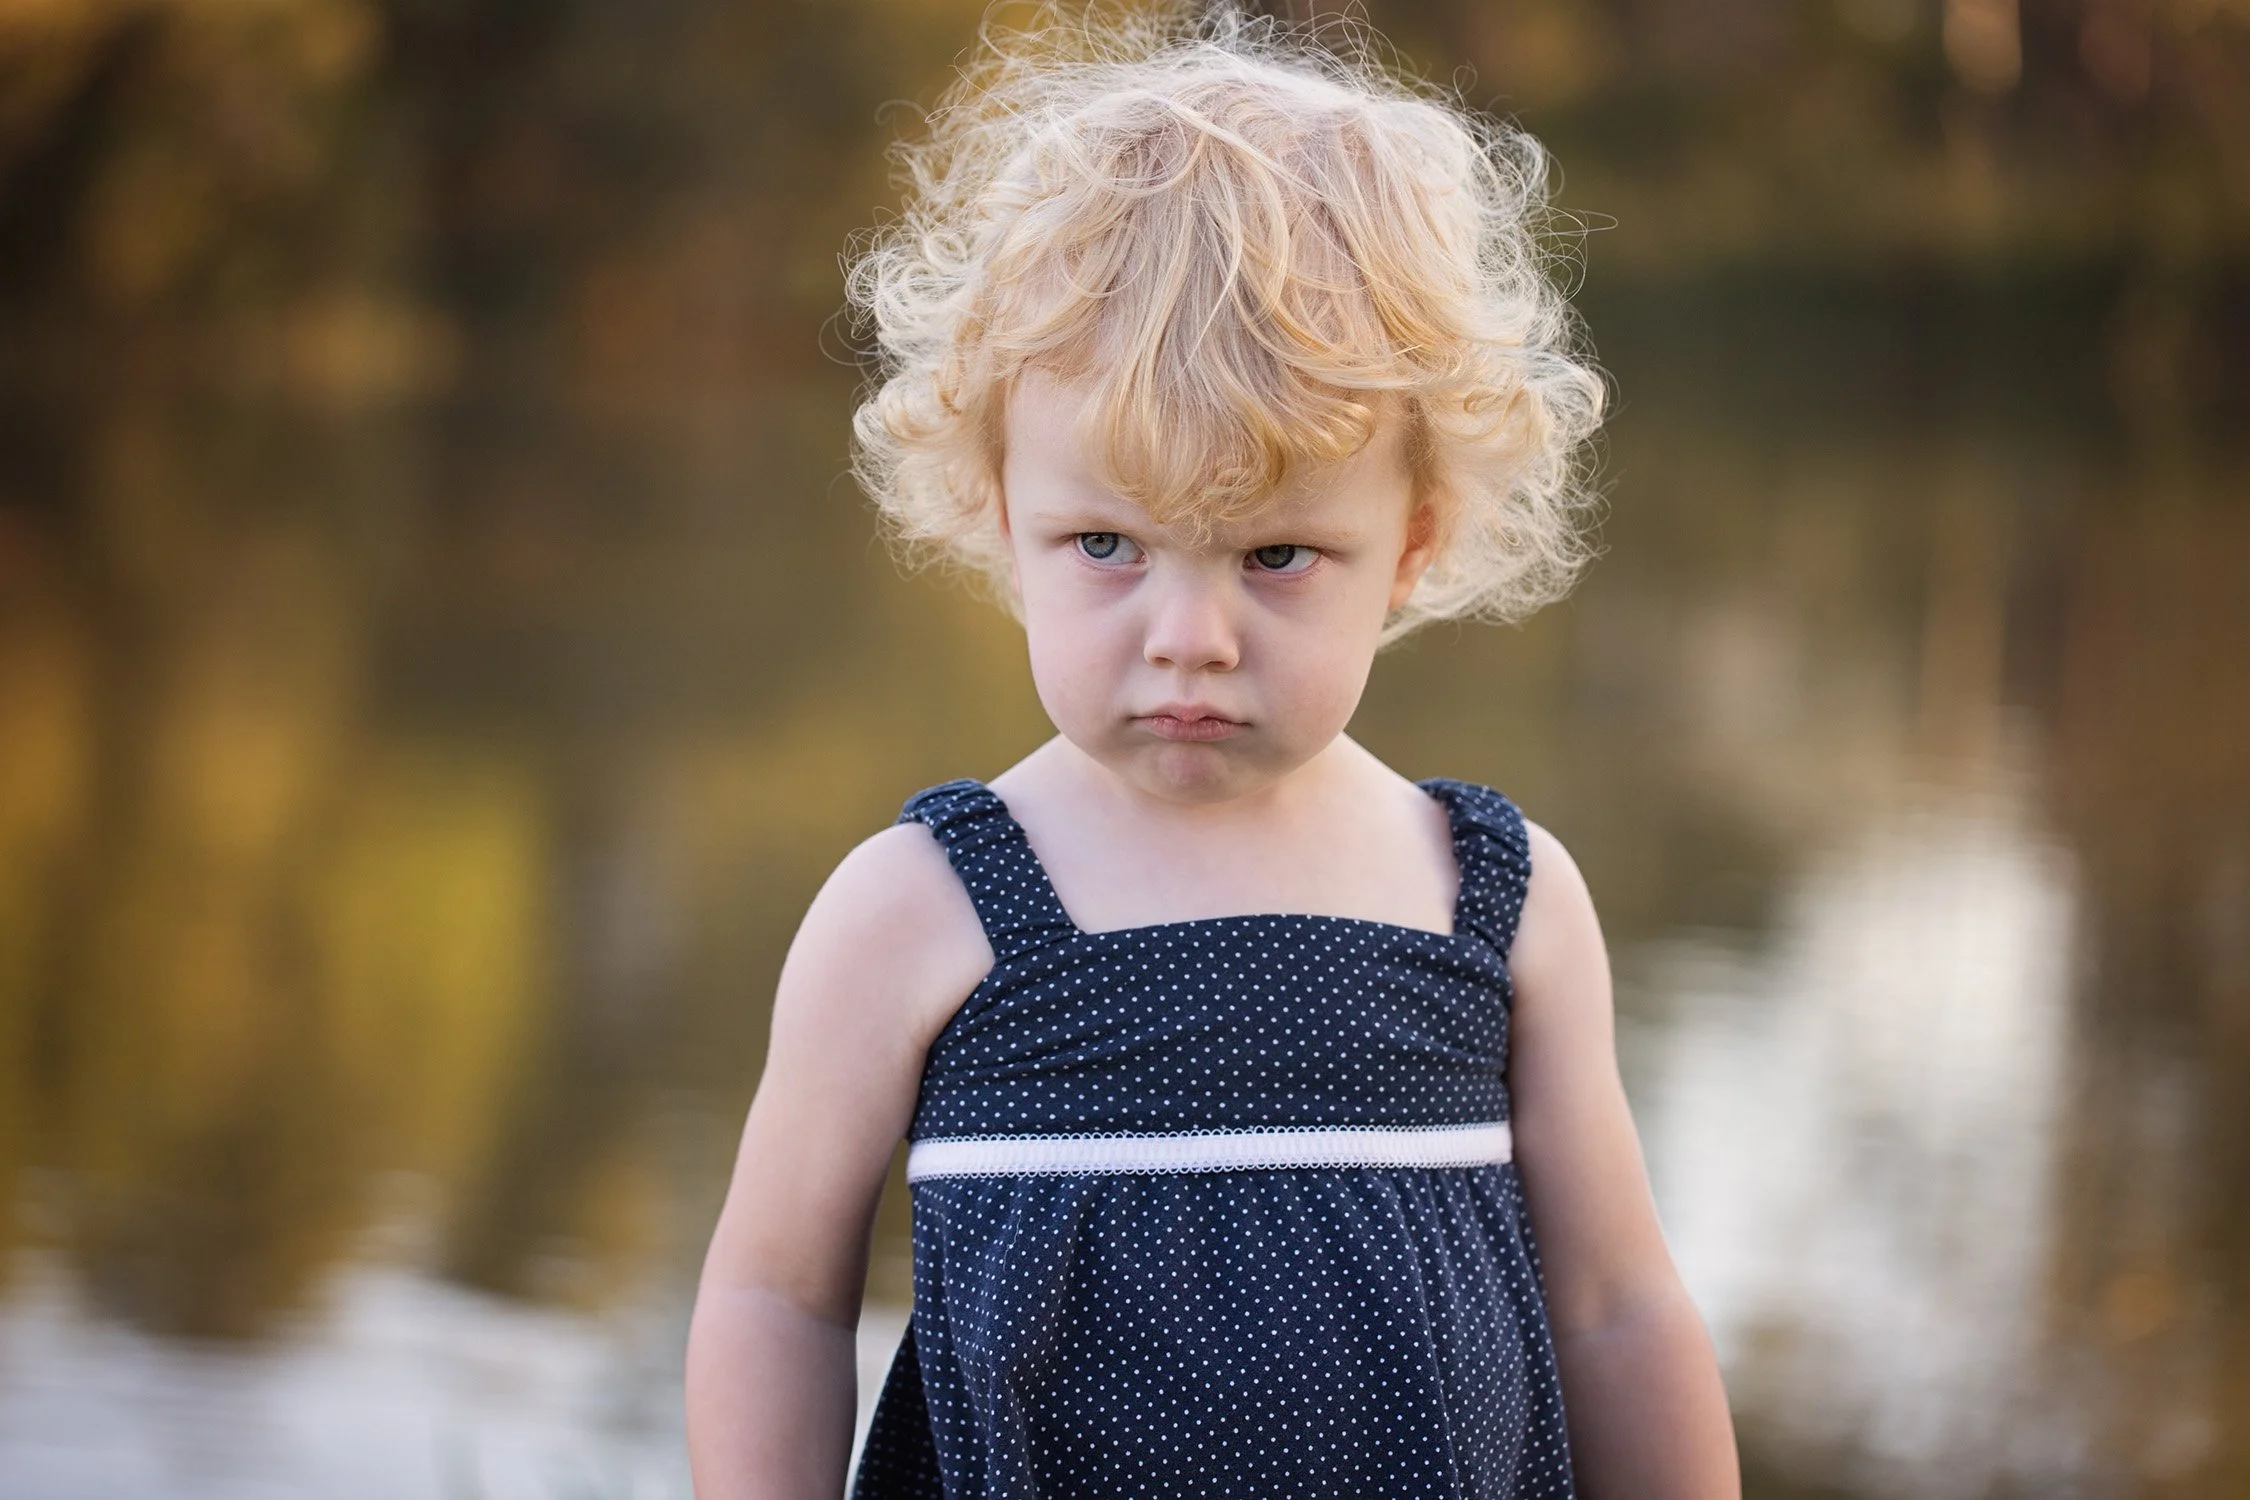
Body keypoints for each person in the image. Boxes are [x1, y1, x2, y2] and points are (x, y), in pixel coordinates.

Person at [685, 6, 1738, 1496]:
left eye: (1279, 554)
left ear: (1414, 544)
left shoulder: (1489, 902)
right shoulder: (920, 907)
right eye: (1106, 543)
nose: (1189, 635)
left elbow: (1617, 1308)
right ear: (1000, 514)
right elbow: (775, 1295)